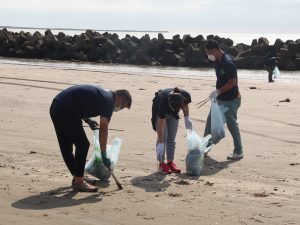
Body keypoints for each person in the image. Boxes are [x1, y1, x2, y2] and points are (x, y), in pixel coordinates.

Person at [50, 84, 132, 192]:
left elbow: (81, 101)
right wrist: (103, 153)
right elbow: (103, 129)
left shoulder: (104, 93)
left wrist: (87, 120)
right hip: (67, 109)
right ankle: (79, 181)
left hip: (56, 105)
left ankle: (77, 177)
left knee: (66, 145)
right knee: (83, 144)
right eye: (121, 106)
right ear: (120, 98)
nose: (119, 108)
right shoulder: (109, 101)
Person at [204, 39, 243, 160]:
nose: (208, 56)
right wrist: (217, 93)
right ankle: (204, 148)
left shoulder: (227, 62)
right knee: (210, 122)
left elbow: (232, 82)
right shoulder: (217, 61)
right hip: (219, 99)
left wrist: (218, 91)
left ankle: (239, 151)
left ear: (215, 50)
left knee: (232, 125)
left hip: (231, 100)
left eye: (209, 53)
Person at [151, 87, 193, 173]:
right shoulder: (163, 102)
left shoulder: (185, 96)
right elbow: (161, 126)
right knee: (163, 137)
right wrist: (161, 143)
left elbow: (185, 109)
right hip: (160, 112)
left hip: (173, 114)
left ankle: (170, 162)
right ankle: (161, 163)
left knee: (172, 138)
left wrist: (187, 121)